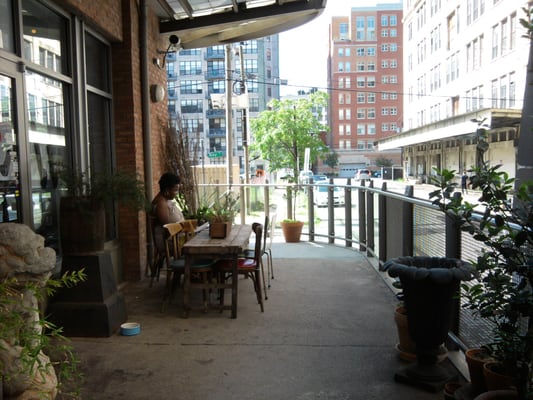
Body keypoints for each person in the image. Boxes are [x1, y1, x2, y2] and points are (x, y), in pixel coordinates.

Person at [151, 172, 184, 257]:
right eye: (175, 190)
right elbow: (167, 229)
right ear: (166, 190)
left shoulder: (166, 201)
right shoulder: (161, 204)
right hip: (172, 243)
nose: (177, 193)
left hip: (179, 239)